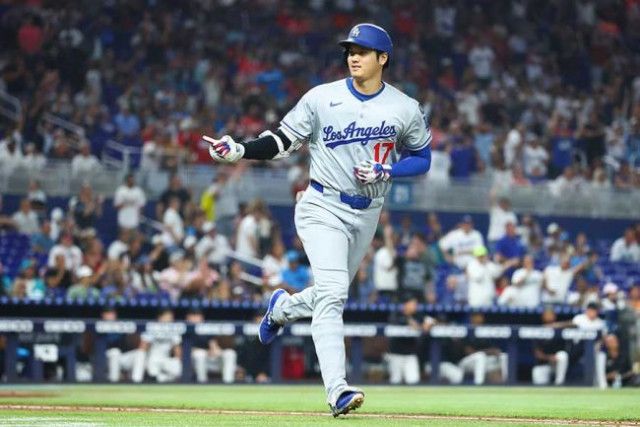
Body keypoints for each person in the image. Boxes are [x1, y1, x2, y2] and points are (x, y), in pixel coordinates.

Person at [203, 23, 431, 416]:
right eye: (350, 50)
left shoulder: (404, 107)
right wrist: (240, 149)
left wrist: (388, 171)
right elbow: (281, 141)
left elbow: (422, 157)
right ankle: (337, 391)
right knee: (335, 293)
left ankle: (281, 310)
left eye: (362, 51)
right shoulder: (322, 98)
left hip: (368, 211)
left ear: (383, 58)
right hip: (322, 205)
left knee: (330, 291)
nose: (353, 57)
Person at [186, 310, 237, 384]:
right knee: (199, 354)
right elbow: (184, 350)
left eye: (197, 315)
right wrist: (206, 351)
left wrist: (214, 350)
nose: (195, 318)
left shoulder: (207, 328)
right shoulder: (185, 331)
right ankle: (202, 383)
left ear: (202, 317)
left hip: (211, 360)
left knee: (230, 353)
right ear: (187, 317)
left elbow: (213, 344)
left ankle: (228, 383)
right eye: (193, 316)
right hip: (194, 362)